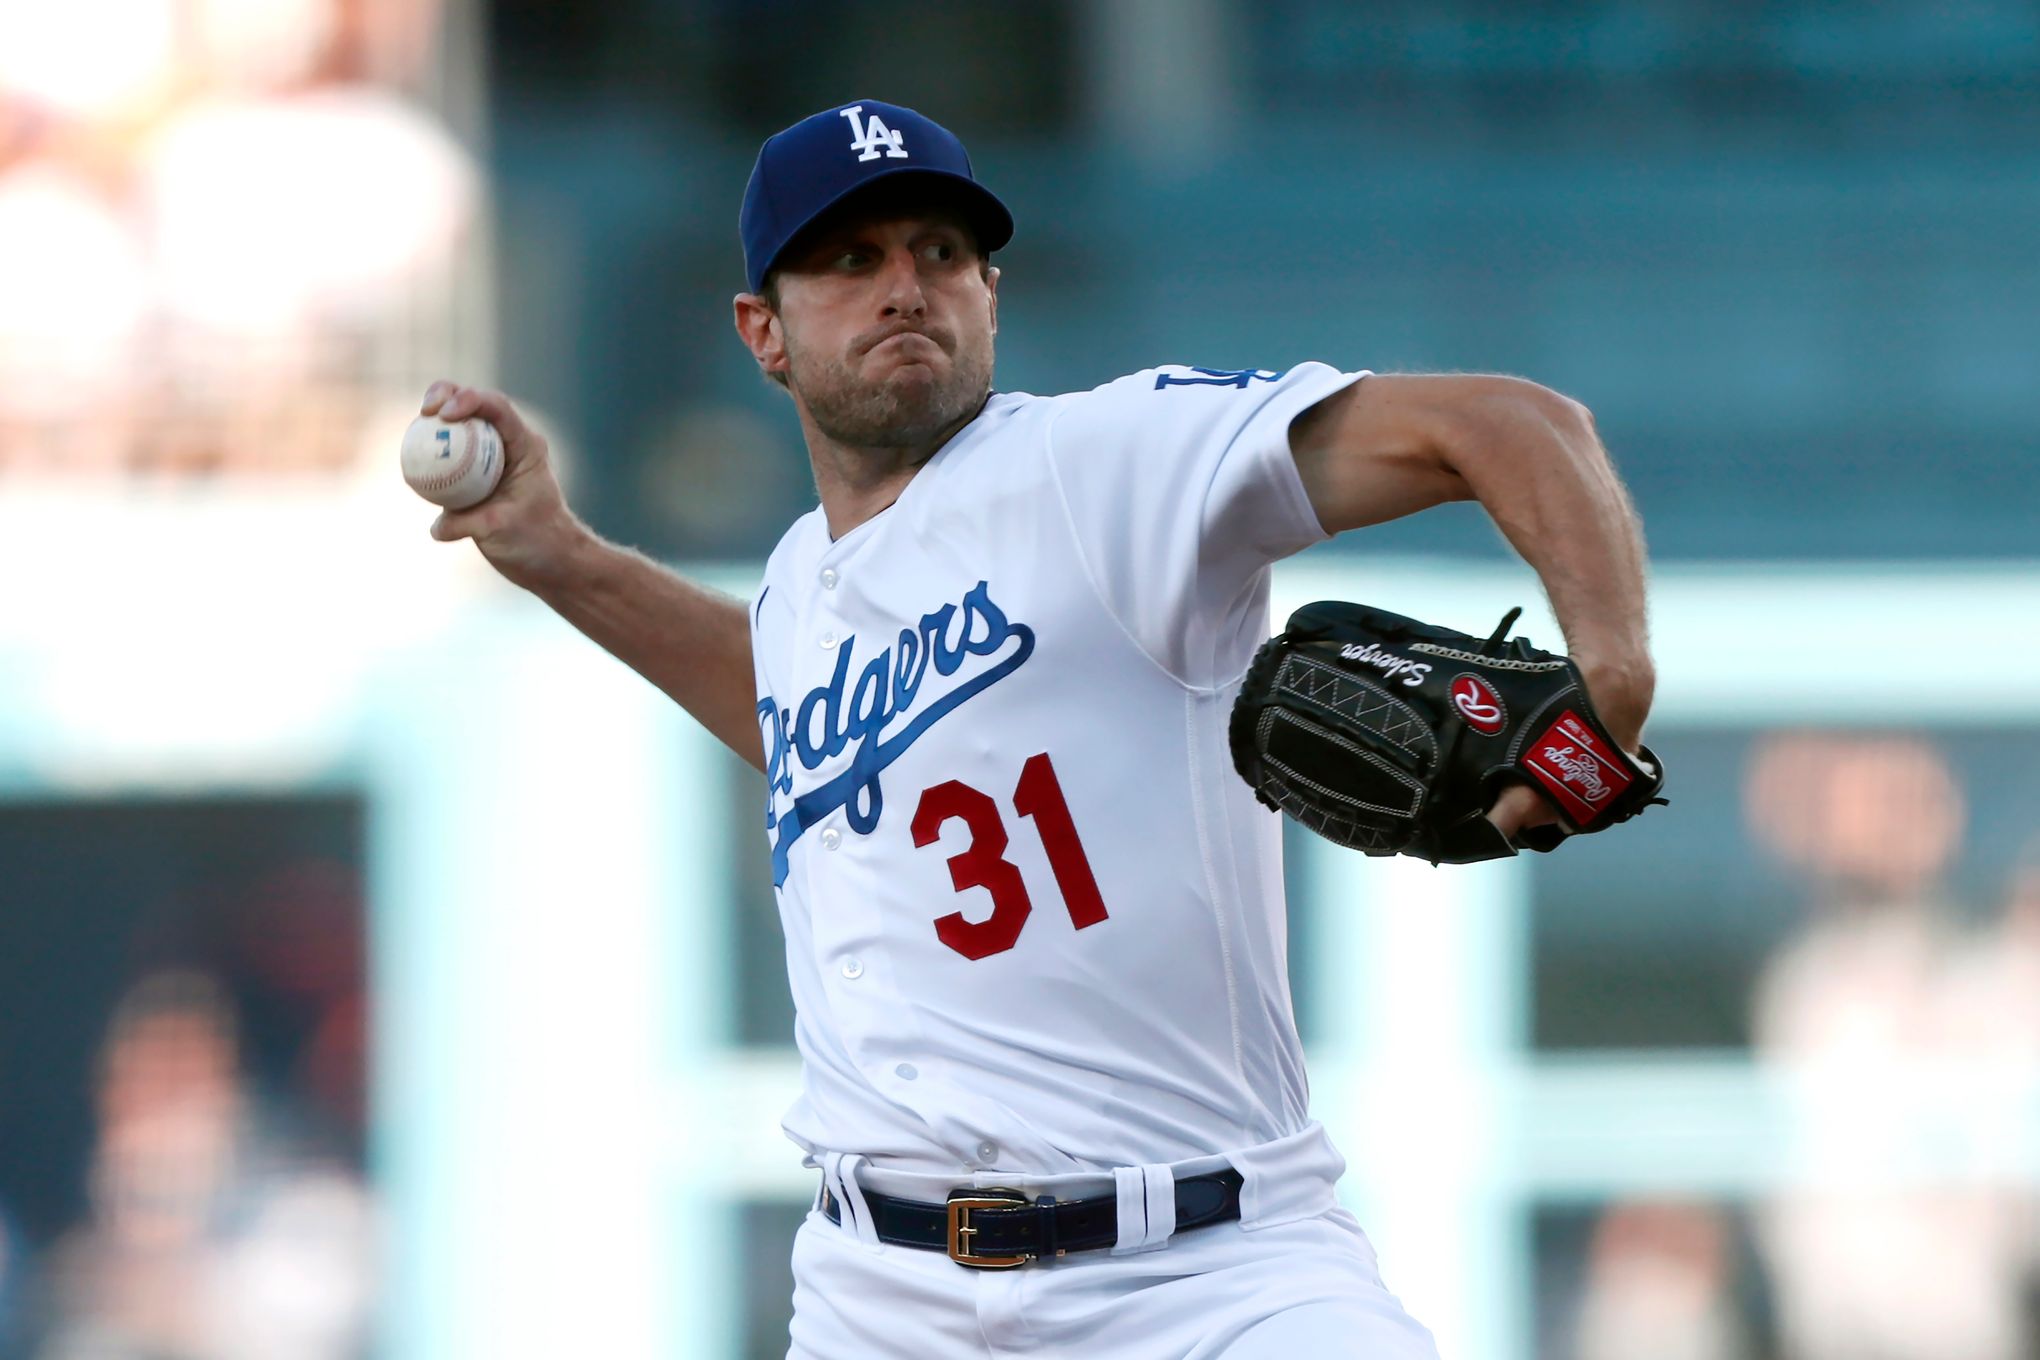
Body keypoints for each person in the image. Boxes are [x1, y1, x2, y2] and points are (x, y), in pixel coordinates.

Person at [419, 98, 1653, 1358]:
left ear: (991, 296)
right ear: (763, 333)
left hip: (1211, 1278)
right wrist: (559, 556)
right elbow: (791, 712)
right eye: (851, 260)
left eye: (939, 253)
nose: (906, 286)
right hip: (879, 1292)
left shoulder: (1103, 462)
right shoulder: (804, 579)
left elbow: (1518, 423)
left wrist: (1612, 685)